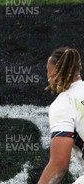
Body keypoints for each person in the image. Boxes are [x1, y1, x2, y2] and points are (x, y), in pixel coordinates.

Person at [39, 47, 84, 184]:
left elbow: (59, 165)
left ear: (56, 72)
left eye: (48, 70)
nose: (47, 77)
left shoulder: (62, 105)